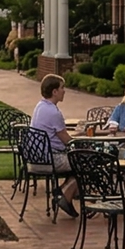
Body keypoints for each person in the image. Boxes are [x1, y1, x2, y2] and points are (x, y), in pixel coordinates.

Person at [30, 74, 78, 217]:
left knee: (79, 159)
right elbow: (66, 140)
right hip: (49, 159)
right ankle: (65, 195)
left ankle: (63, 191)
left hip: (37, 157)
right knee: (86, 162)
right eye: (62, 88)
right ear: (54, 92)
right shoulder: (53, 112)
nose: (65, 91)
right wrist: (83, 143)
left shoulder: (41, 106)